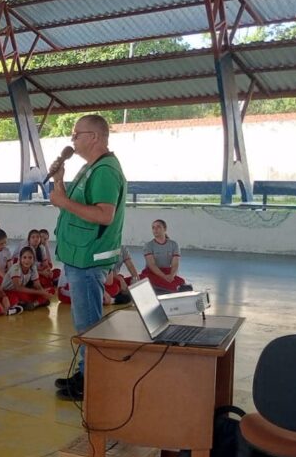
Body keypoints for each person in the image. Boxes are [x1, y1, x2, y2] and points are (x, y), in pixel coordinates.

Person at [50, 115, 127, 401]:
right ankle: (86, 372)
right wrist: (59, 181)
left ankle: (94, 379)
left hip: (89, 257)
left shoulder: (105, 170)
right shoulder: (88, 168)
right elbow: (68, 204)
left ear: (94, 137)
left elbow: (104, 214)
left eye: (77, 134)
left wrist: (63, 200)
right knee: (85, 322)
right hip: (78, 254)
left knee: (89, 324)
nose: (73, 139)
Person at [140, 219, 191, 293]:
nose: (155, 229)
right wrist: (164, 277)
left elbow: (175, 264)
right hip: (152, 273)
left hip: (167, 272)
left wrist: (171, 276)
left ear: (165, 229)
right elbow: (151, 265)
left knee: (181, 281)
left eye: (158, 227)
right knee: (147, 280)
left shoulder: (174, 244)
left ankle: (165, 289)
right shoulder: (148, 245)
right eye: (153, 227)